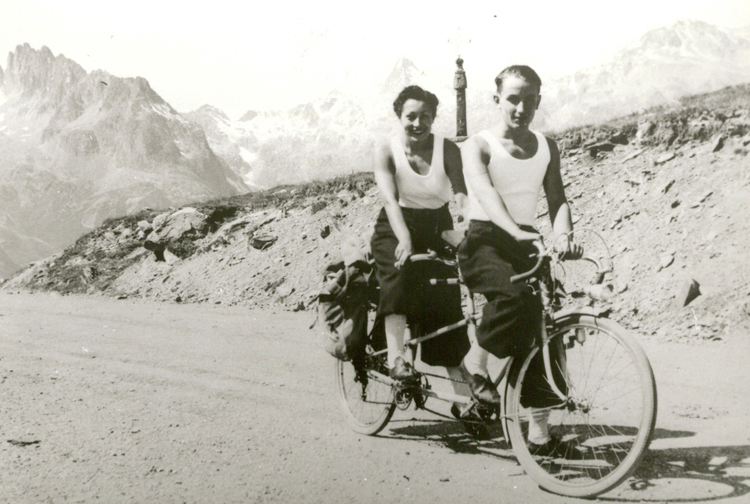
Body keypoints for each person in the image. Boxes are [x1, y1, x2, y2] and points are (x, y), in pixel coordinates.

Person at [457, 66, 582, 454]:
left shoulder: (546, 146)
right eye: (513, 98)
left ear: (538, 102)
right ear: (497, 99)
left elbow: (557, 200)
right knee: (513, 298)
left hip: (524, 240)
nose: (521, 107)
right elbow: (486, 195)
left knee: (543, 328)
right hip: (484, 240)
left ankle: (540, 435)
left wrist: (564, 236)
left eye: (530, 100)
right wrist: (514, 230)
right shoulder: (476, 145)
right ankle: (474, 364)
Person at [370, 85, 471, 387]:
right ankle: (396, 358)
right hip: (396, 223)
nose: (418, 124)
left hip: (438, 224)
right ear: (399, 116)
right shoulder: (386, 150)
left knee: (446, 298)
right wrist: (404, 239)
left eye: (425, 116)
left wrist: (466, 219)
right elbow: (389, 200)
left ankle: (463, 397)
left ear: (434, 117)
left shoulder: (448, 149)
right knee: (399, 274)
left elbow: (462, 194)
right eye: (410, 116)